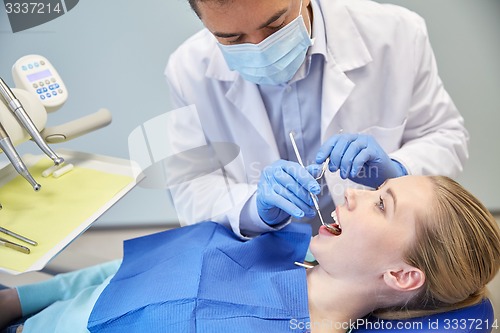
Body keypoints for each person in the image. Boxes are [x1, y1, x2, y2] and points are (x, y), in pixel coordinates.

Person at [1, 175, 499, 332]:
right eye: (376, 185)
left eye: (380, 203)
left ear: (402, 275)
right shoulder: (282, 242)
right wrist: (20, 302)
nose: (351, 192)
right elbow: (128, 271)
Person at [163, 0, 469, 237]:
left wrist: (397, 170)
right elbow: (189, 187)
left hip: (376, 251)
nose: (258, 48)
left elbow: (446, 137)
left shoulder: (397, 35)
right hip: (261, 255)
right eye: (232, 39)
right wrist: (254, 208)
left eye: (275, 26)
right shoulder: (187, 70)